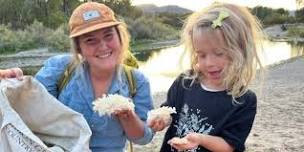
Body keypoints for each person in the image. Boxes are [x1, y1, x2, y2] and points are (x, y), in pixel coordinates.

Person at [35, 2, 154, 152]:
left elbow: (143, 138)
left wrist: (128, 116)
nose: (103, 46)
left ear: (119, 37)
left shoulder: (137, 81)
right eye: (90, 40)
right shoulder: (59, 69)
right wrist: (13, 81)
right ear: (79, 47)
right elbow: (30, 107)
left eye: (108, 36)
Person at [149, 3, 264, 152]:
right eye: (201, 55)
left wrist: (200, 139)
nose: (209, 63)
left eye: (219, 53)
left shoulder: (244, 100)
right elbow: (169, 109)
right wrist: (163, 118)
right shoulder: (185, 82)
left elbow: (230, 146)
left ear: (240, 50)